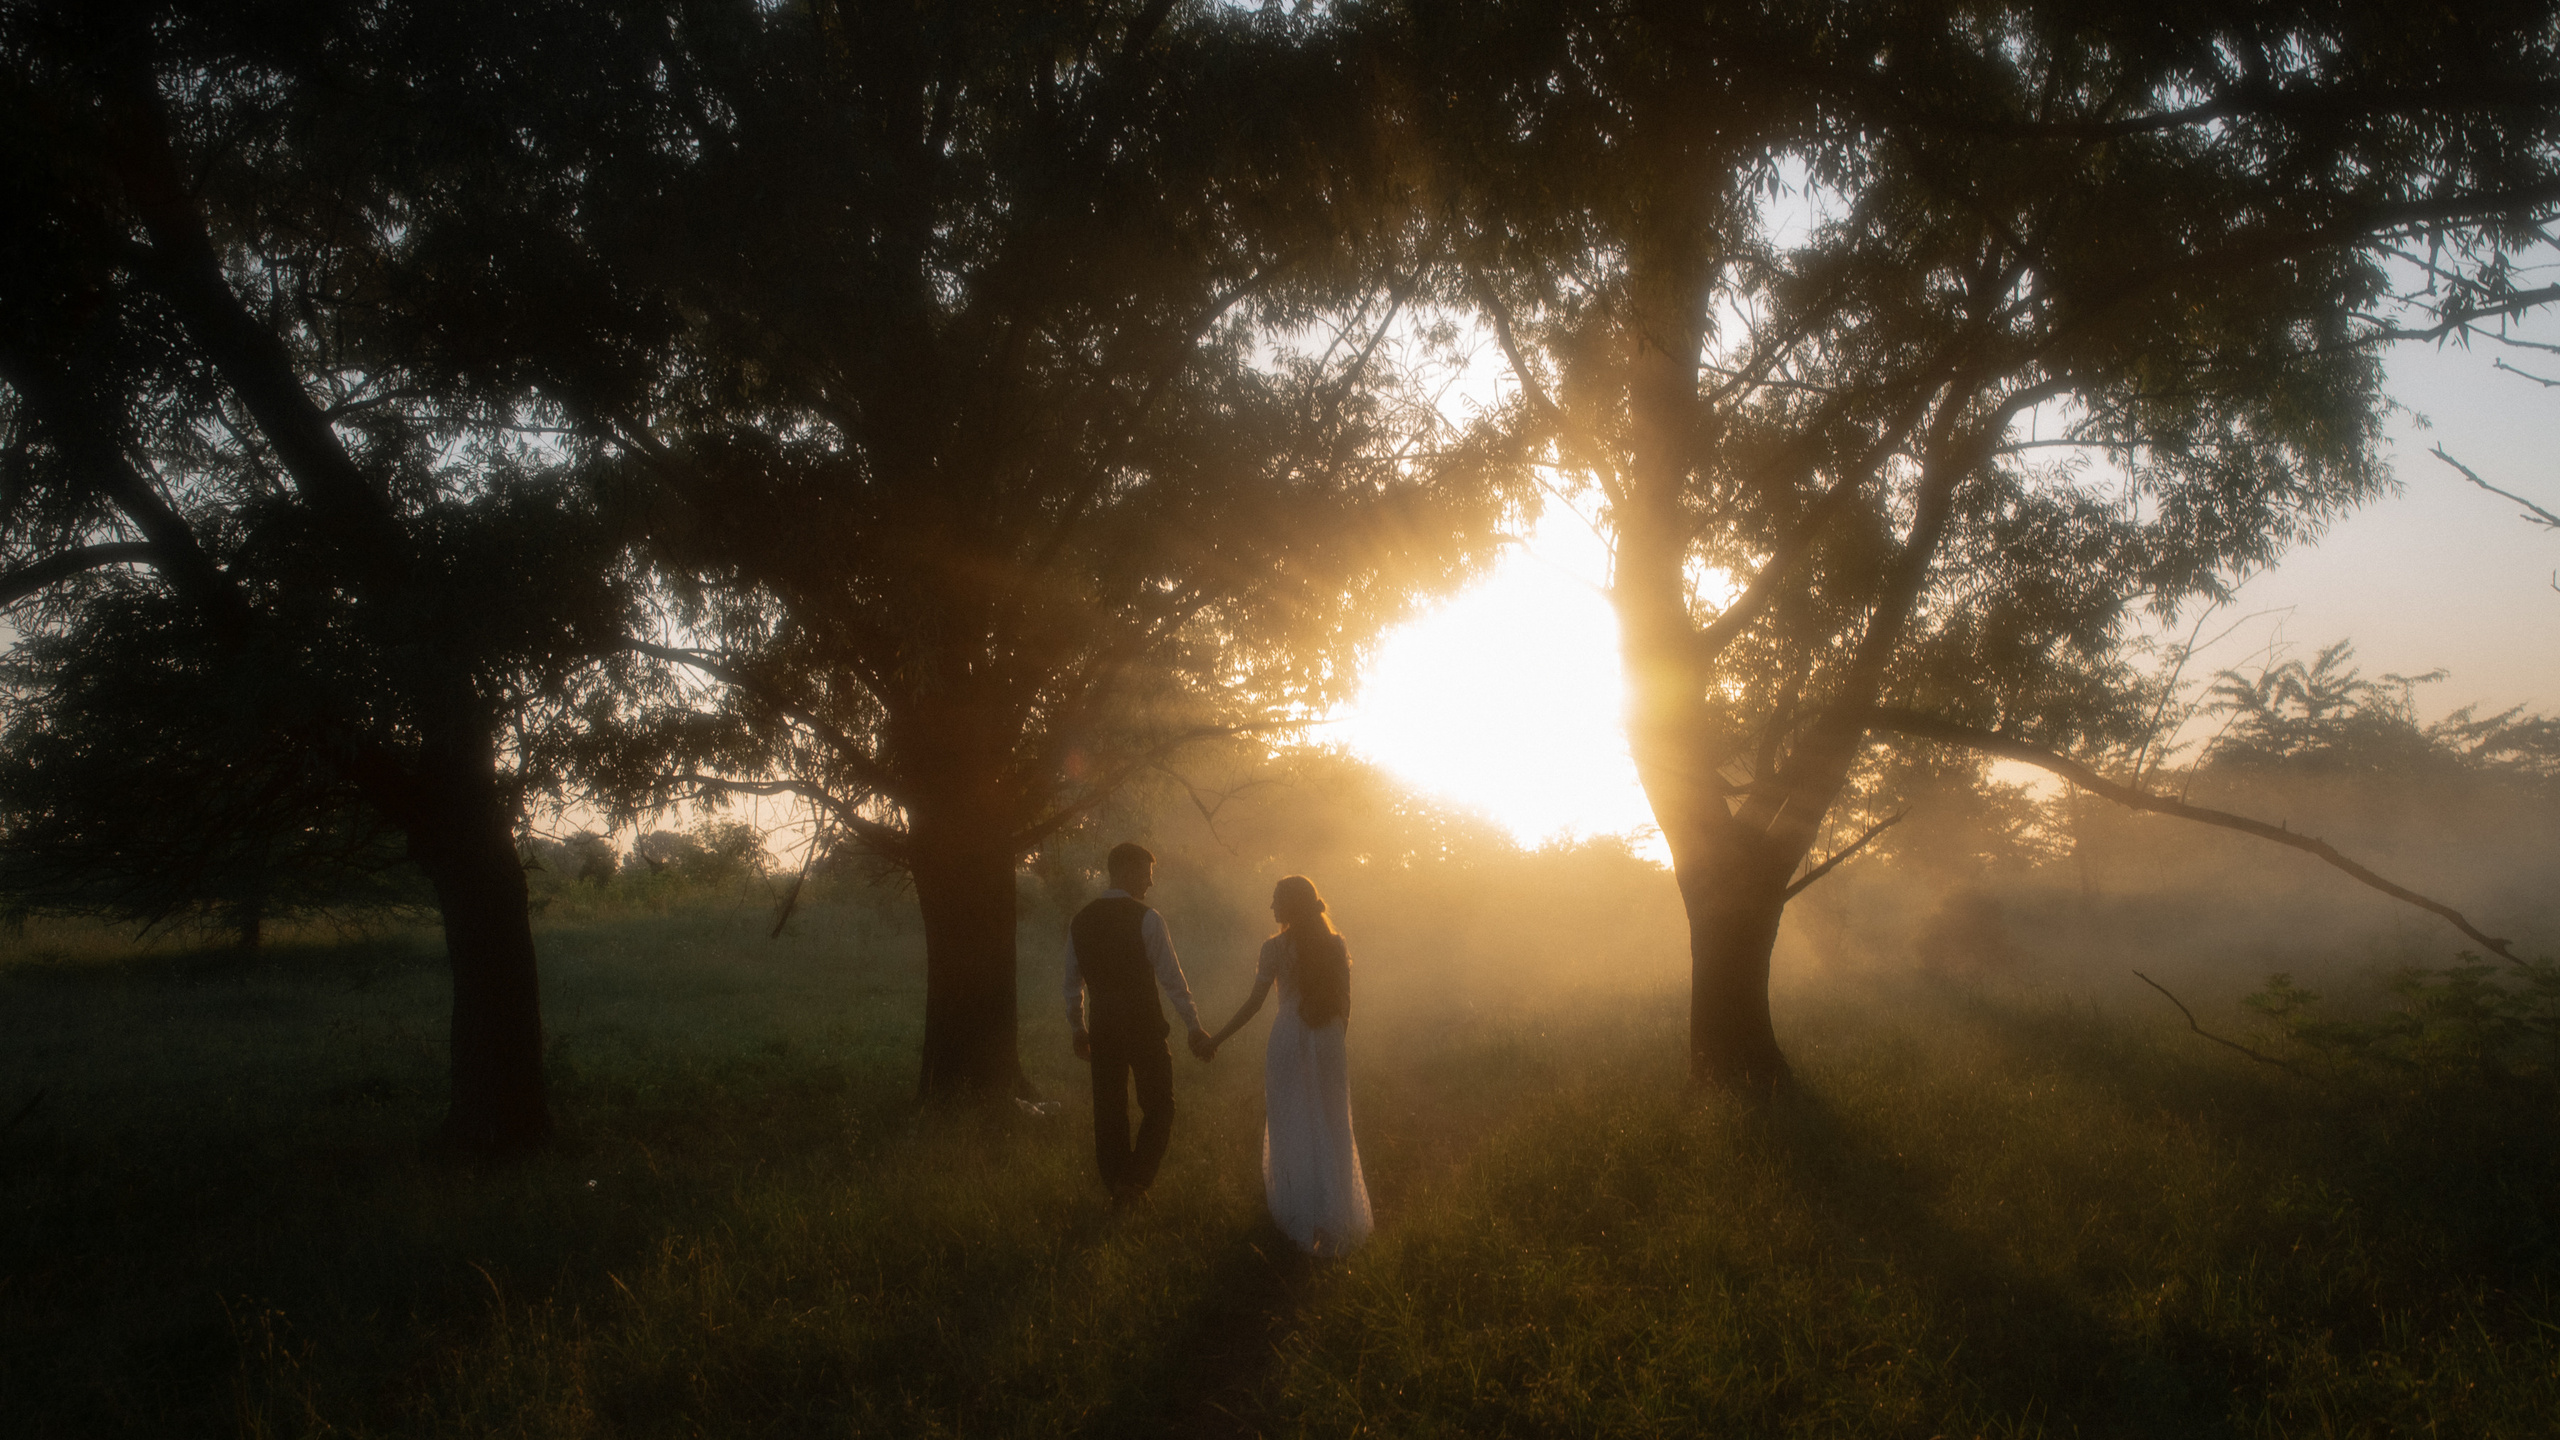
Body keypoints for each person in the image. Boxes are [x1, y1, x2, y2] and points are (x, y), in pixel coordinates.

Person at [1201, 874, 1372, 1256]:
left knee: (1292, 1120)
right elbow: (1345, 1003)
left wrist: (1216, 1039)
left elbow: (1254, 1004)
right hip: (1327, 1038)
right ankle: (1337, 1212)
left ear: (1292, 904)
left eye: (1277, 899)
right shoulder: (1335, 944)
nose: (1271, 906)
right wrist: (1333, 1039)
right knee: (1332, 1120)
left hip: (1289, 1038)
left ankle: (1302, 1212)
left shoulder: (1274, 948)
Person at [1064, 842, 1212, 1206]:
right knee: (1160, 1106)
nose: (1150, 883)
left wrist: (1078, 1027)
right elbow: (1172, 979)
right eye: (1146, 875)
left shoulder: (1081, 920)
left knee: (1109, 1109)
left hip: (1103, 1029)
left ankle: (1117, 1182)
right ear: (1126, 871)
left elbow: (1071, 982)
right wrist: (1193, 1025)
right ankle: (1134, 1182)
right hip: (1144, 1028)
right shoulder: (1148, 918)